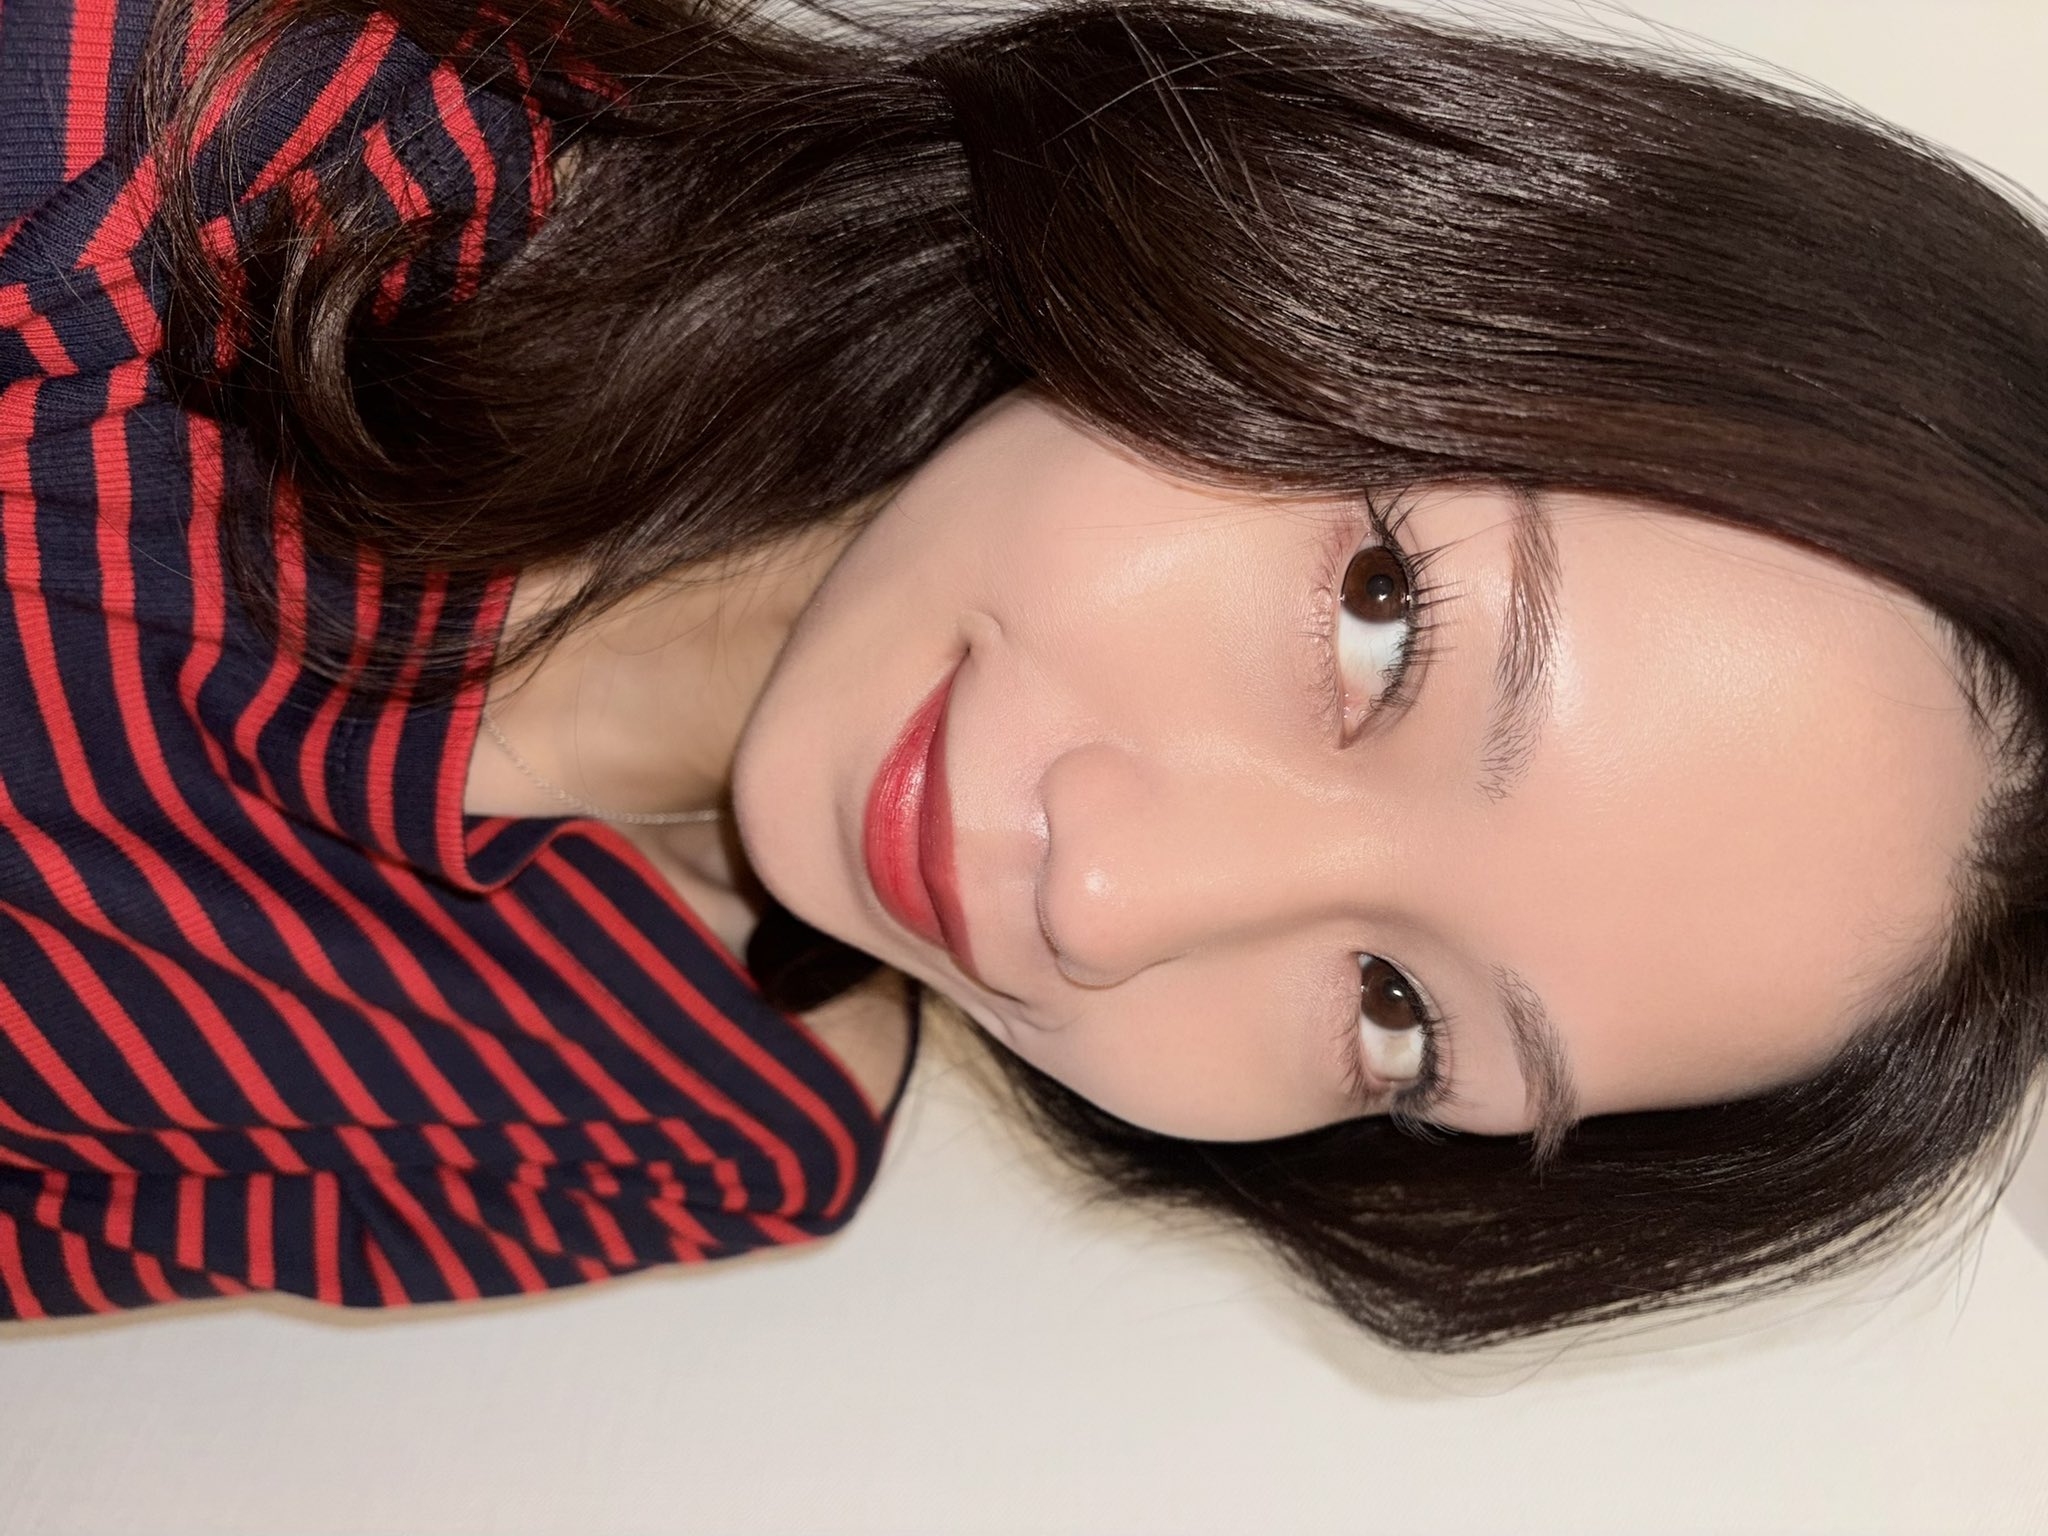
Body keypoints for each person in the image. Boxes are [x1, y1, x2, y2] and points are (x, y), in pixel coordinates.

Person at [0, 0, 2040, 1354]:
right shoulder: (172, 140)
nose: (1108, 904)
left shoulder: (699, 1131)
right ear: (1355, 262)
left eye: (1398, 1012)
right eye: (1383, 620)